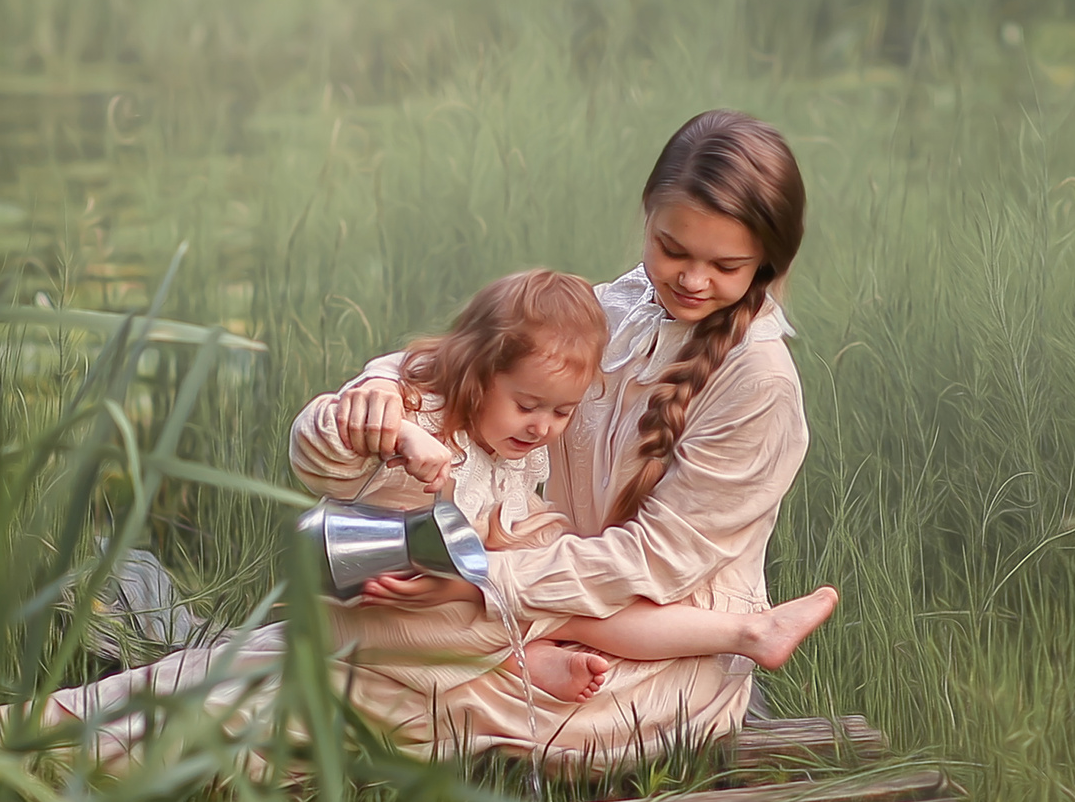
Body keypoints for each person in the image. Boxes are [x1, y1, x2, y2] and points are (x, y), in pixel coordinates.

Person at [26, 262, 832, 759]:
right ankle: (566, 653)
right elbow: (324, 446)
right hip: (396, 588)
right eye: (530, 406)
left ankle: (732, 633)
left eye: (561, 412)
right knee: (292, 664)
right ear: (477, 372)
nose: (543, 428)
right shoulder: (430, 404)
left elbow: (619, 554)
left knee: (565, 598)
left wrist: (498, 563)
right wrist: (380, 407)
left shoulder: (743, 380)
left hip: (486, 572)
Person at [331, 109, 816, 766]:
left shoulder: (759, 383)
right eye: (672, 249)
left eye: (725, 265)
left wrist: (476, 578)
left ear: (766, 261)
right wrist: (383, 385)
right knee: (352, 610)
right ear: (648, 216)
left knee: (363, 676)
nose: (692, 280)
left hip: (656, 647)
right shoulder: (612, 309)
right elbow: (480, 358)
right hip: (538, 596)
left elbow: (653, 563)